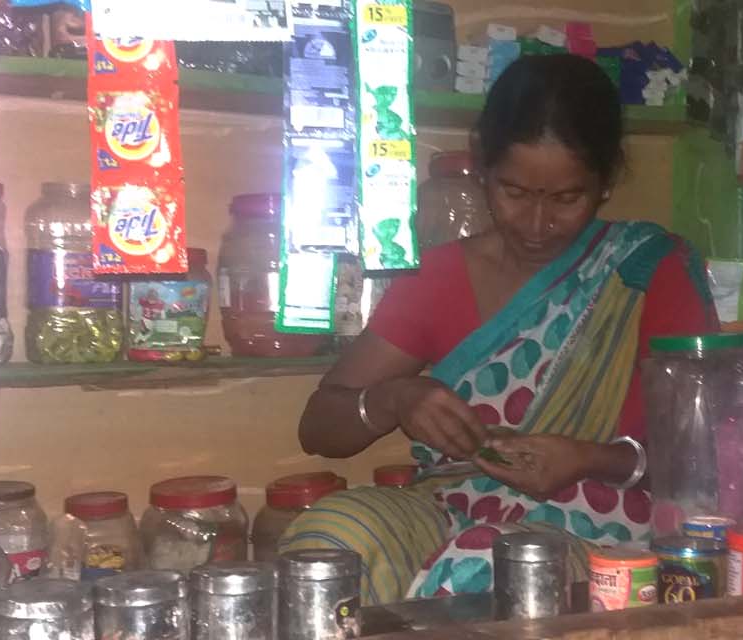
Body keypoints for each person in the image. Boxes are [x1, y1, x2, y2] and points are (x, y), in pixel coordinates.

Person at [282, 54, 719, 604]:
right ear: (481, 164)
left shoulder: (647, 270)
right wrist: (395, 399)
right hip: (453, 508)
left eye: (567, 198)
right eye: (514, 192)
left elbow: (708, 462)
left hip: (610, 534)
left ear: (606, 181)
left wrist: (589, 459)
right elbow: (319, 427)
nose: (537, 225)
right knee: (333, 544)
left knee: (489, 564)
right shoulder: (441, 275)